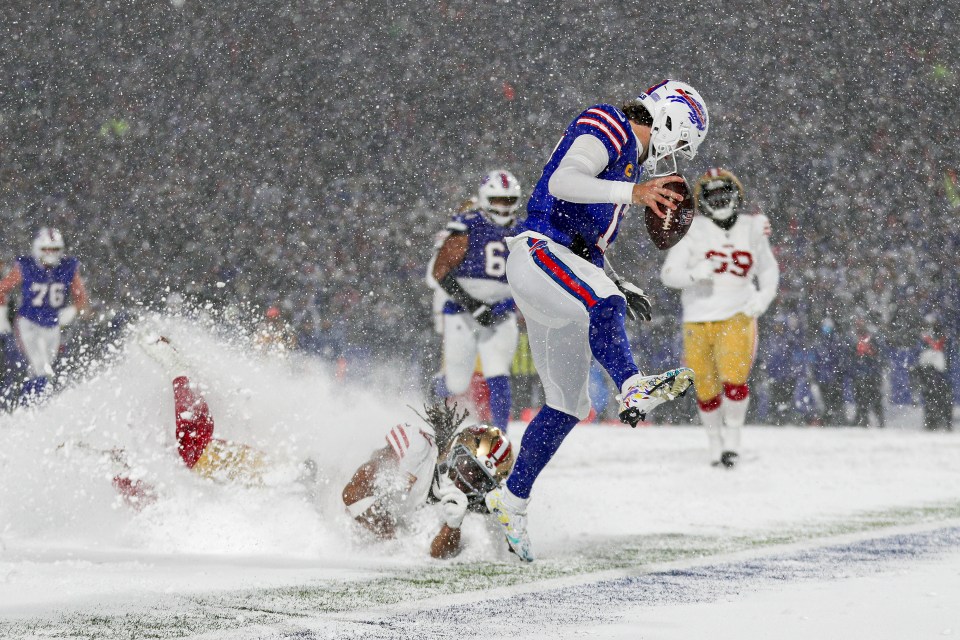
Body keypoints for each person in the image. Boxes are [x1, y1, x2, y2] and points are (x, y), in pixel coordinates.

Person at [484, 80, 710, 562]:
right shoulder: (608, 122)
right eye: (682, 143)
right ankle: (632, 386)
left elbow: (585, 248)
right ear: (669, 120)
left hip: (557, 268)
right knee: (601, 300)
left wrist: (616, 279)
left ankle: (512, 500)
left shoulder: (626, 169)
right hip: (537, 251)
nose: (676, 157)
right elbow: (565, 181)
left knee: (568, 404)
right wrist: (634, 192)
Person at [659, 168, 779, 467]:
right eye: (713, 195)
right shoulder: (691, 229)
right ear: (703, 200)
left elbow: (767, 267)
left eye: (725, 193)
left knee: (734, 381)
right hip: (697, 318)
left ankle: (733, 442)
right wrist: (694, 274)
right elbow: (668, 275)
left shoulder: (753, 226)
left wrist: (763, 297)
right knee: (706, 387)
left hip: (737, 313)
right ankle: (714, 442)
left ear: (737, 195)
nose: (721, 199)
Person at [342, 401, 515, 559]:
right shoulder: (416, 449)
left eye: (480, 479)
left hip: (376, 538)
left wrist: (452, 525)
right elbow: (353, 493)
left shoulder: (467, 508)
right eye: (469, 466)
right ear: (455, 449)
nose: (468, 479)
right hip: (342, 513)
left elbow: (437, 557)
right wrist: (392, 534)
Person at [428, 171, 523, 432]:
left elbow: (531, 278)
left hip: (501, 312)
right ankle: (434, 398)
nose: (503, 206)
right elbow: (440, 272)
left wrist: (508, 305)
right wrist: (473, 304)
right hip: (462, 311)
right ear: (484, 198)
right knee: (457, 383)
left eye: (508, 200)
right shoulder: (468, 224)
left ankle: (500, 437)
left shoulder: (524, 230)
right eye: (497, 199)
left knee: (498, 372)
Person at [0, 228, 89, 403]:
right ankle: (28, 405)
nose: (50, 253)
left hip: (52, 324)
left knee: (46, 368)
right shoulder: (26, 266)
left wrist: (73, 310)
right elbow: (2, 288)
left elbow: (82, 298)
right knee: (39, 366)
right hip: (28, 322)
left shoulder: (67, 267)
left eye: (54, 249)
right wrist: (1, 315)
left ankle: (36, 403)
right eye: (46, 249)